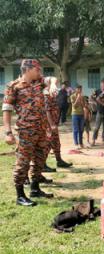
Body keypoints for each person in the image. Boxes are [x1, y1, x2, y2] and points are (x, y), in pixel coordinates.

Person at [3, 59, 54, 206]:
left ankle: (35, 188)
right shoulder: (13, 86)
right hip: (26, 131)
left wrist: (54, 85)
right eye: (37, 69)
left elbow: (53, 78)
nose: (40, 72)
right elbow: (7, 110)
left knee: (40, 159)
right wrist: (8, 132)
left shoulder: (39, 83)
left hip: (41, 130)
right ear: (28, 69)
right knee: (23, 162)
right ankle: (20, 195)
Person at [43, 77, 72, 170]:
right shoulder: (46, 95)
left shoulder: (52, 93)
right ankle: (42, 165)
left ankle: (59, 161)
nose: (56, 86)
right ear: (47, 84)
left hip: (54, 124)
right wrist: (51, 124)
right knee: (48, 144)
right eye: (52, 84)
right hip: (49, 125)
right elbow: (47, 111)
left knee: (56, 143)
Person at [92, 78, 104, 146]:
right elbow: (91, 98)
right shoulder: (97, 91)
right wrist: (95, 103)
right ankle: (93, 140)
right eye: (102, 83)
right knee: (96, 127)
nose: (103, 84)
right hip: (99, 111)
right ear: (100, 84)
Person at [71, 85, 85, 149]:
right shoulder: (72, 96)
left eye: (80, 89)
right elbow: (74, 106)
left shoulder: (82, 97)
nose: (79, 90)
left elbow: (83, 106)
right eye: (78, 89)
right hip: (75, 114)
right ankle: (76, 144)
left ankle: (81, 143)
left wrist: (81, 100)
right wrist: (77, 98)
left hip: (81, 114)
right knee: (76, 129)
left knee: (81, 130)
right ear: (75, 89)